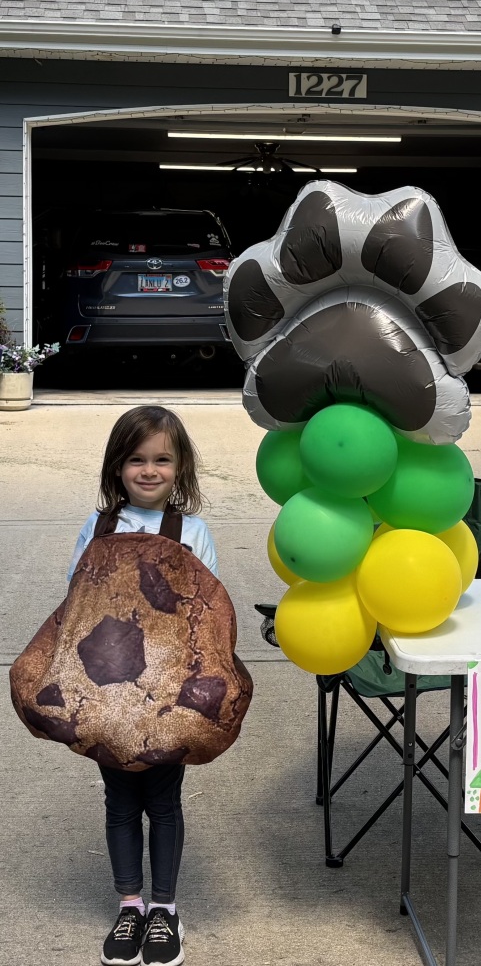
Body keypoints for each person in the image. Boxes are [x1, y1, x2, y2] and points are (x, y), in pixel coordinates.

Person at [69, 405, 218, 966]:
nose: (149, 471)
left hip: (168, 694)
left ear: (180, 469)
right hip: (106, 690)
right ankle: (129, 905)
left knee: (163, 798)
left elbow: (209, 614)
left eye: (161, 459)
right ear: (117, 466)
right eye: (136, 459)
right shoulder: (98, 525)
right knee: (120, 800)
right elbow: (76, 600)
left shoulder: (191, 531)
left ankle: (165, 911)